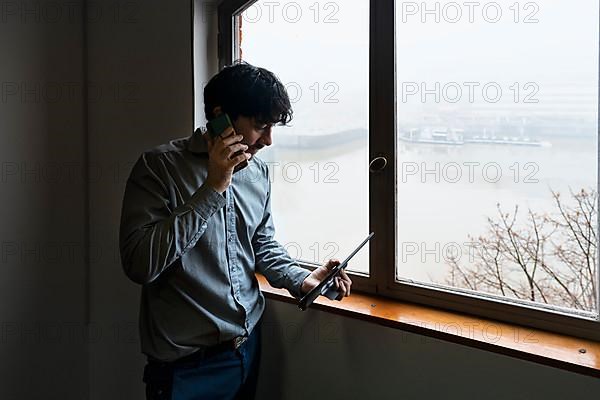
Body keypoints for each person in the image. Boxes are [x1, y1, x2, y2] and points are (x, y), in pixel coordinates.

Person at [118, 60, 353, 400]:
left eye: (272, 127)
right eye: (261, 126)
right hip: (184, 369)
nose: (269, 140)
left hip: (247, 349)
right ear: (220, 116)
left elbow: (262, 245)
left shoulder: (257, 174)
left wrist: (303, 280)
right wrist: (213, 188)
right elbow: (140, 264)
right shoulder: (158, 168)